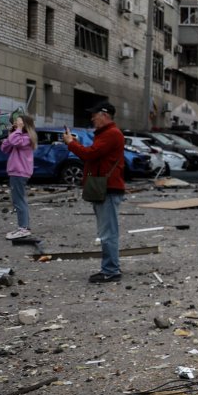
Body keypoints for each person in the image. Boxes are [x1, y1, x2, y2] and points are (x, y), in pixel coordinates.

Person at [65, 102, 128, 284]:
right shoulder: (107, 134)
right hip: (105, 188)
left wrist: (71, 143)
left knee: (108, 232)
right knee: (107, 231)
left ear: (104, 115)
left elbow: (89, 154)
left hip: (108, 189)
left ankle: (110, 271)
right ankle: (110, 268)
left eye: (94, 114)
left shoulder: (111, 134)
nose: (92, 118)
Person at [2, 114, 37, 240]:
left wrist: (16, 131)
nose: (16, 124)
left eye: (18, 122)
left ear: (24, 125)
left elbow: (15, 141)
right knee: (20, 199)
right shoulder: (18, 136)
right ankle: (23, 227)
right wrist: (11, 132)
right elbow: (4, 148)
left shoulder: (27, 138)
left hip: (19, 172)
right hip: (16, 172)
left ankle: (23, 228)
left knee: (18, 200)